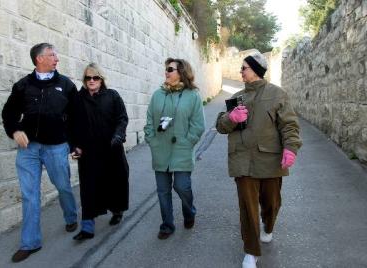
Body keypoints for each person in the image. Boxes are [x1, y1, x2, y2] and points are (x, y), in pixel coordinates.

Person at [216, 51, 302, 268]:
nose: (240, 72)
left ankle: (269, 225)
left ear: (255, 69)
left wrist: (291, 148)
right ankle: (251, 252)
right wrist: (230, 118)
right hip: (242, 160)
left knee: (272, 203)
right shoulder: (236, 97)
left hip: (270, 161)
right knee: (247, 207)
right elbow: (220, 126)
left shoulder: (278, 94)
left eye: (243, 68)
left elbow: (289, 125)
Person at [1, 43, 78, 262]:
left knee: (63, 186)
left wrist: (74, 145)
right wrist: (15, 130)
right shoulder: (23, 86)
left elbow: (76, 117)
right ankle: (30, 242)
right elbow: (8, 113)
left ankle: (71, 215)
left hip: (56, 146)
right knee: (30, 194)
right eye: (52, 55)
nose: (57, 58)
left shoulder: (66, 85)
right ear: (39, 59)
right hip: (29, 149)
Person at [144, 58, 205, 240]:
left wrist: (188, 142)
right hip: (160, 150)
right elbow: (149, 121)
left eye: (170, 69)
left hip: (182, 150)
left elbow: (198, 125)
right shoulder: (157, 95)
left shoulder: (193, 95)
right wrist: (152, 140)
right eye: (166, 69)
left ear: (181, 72)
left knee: (182, 186)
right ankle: (167, 225)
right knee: (163, 191)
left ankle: (189, 212)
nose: (166, 72)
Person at [70, 63, 129, 241]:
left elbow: (122, 118)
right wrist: (75, 145)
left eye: (95, 77)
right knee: (88, 188)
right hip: (89, 152)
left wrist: (118, 135)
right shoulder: (78, 100)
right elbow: (71, 126)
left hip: (111, 149)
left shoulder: (112, 96)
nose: (92, 81)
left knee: (115, 183)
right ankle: (87, 227)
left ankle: (117, 210)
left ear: (101, 79)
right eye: (88, 78)